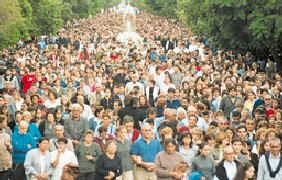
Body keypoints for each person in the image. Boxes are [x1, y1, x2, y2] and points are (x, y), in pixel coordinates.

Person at [0, 115, 13, 180]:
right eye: (5, 121)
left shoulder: (7, 133)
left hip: (5, 164)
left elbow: (11, 150)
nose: (6, 123)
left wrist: (9, 147)